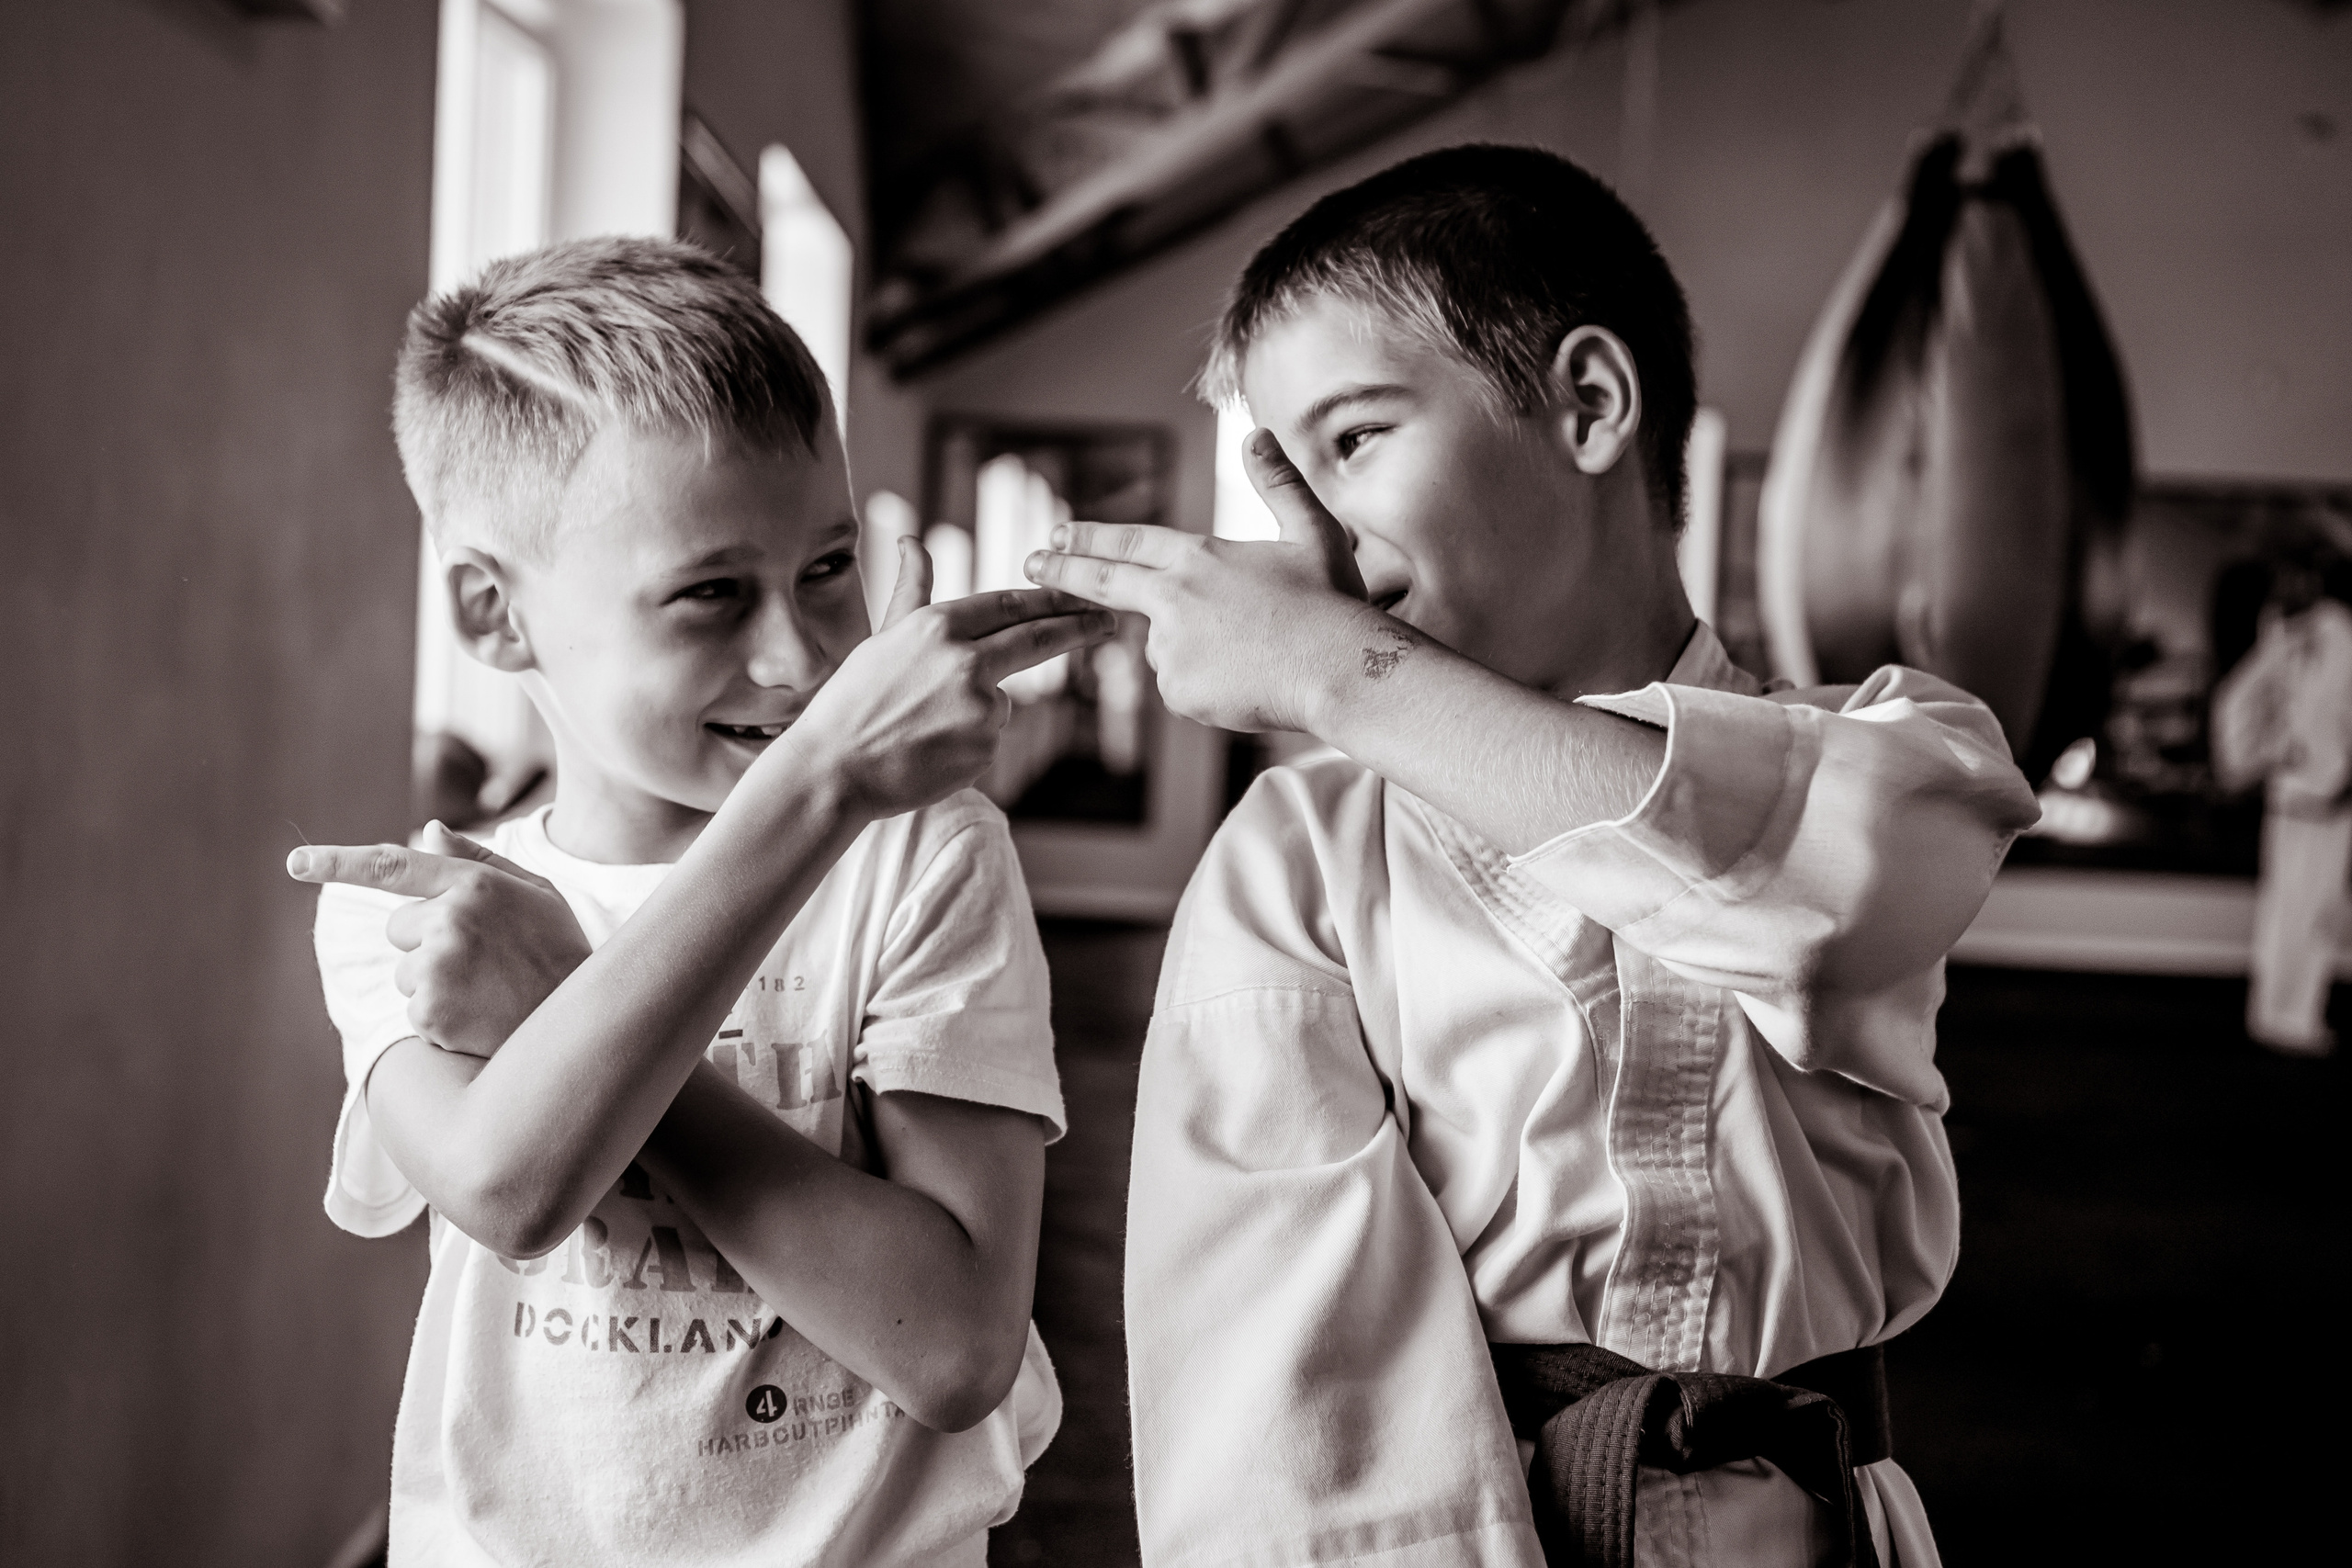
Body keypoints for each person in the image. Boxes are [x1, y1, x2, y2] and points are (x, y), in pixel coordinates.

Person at [1024, 145, 2041, 1568]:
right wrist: (1348, 689)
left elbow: (1819, 908)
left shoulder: (1906, 750)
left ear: (1588, 403)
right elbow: (1277, 1394)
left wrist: (1336, 675)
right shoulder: (1301, 855)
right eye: (1283, 474)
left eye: (1355, 438)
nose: (1312, 529)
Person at [287, 237, 1114, 1566]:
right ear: (497, 615)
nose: (795, 657)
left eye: (830, 566)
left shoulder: (920, 855)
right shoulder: (435, 910)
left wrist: (571, 996)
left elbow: (957, 1344)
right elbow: (511, 1183)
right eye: (713, 592)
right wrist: (822, 784)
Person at [2211, 544, 2352, 1056]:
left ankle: (2284, 1013)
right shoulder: (2301, 634)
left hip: (2314, 789)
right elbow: (2255, 701)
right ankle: (2283, 1016)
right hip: (2309, 791)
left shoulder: (2320, 634)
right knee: (2296, 906)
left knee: (2303, 906)